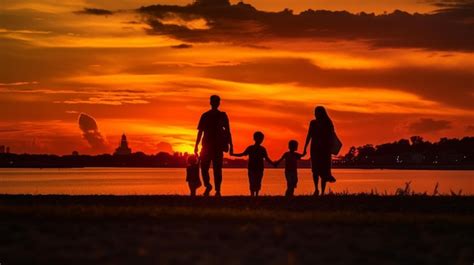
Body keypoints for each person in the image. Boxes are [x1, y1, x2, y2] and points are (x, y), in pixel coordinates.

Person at [194, 95, 233, 196]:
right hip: (206, 146)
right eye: (214, 101)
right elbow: (200, 132)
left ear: (218, 103)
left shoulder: (222, 115)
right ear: (211, 102)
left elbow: (228, 131)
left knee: (217, 169)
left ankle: (217, 190)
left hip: (217, 146)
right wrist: (196, 145)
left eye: (217, 101)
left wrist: (231, 145)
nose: (215, 103)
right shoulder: (205, 115)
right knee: (204, 168)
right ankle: (208, 186)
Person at [303, 106, 337, 196]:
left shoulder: (328, 123)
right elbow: (309, 135)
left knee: (324, 170)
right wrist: (305, 148)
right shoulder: (313, 123)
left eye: (316, 112)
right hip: (314, 149)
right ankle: (316, 189)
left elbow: (332, 136)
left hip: (324, 150)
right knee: (315, 170)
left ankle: (322, 191)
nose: (315, 114)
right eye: (315, 112)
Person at [230, 131, 274, 196]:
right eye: (260, 138)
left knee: (255, 181)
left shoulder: (256, 148)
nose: (261, 140)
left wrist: (233, 154)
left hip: (256, 168)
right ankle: (254, 194)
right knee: (255, 181)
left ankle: (254, 194)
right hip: (255, 168)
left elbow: (242, 154)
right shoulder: (258, 148)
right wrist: (273, 164)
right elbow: (267, 159)